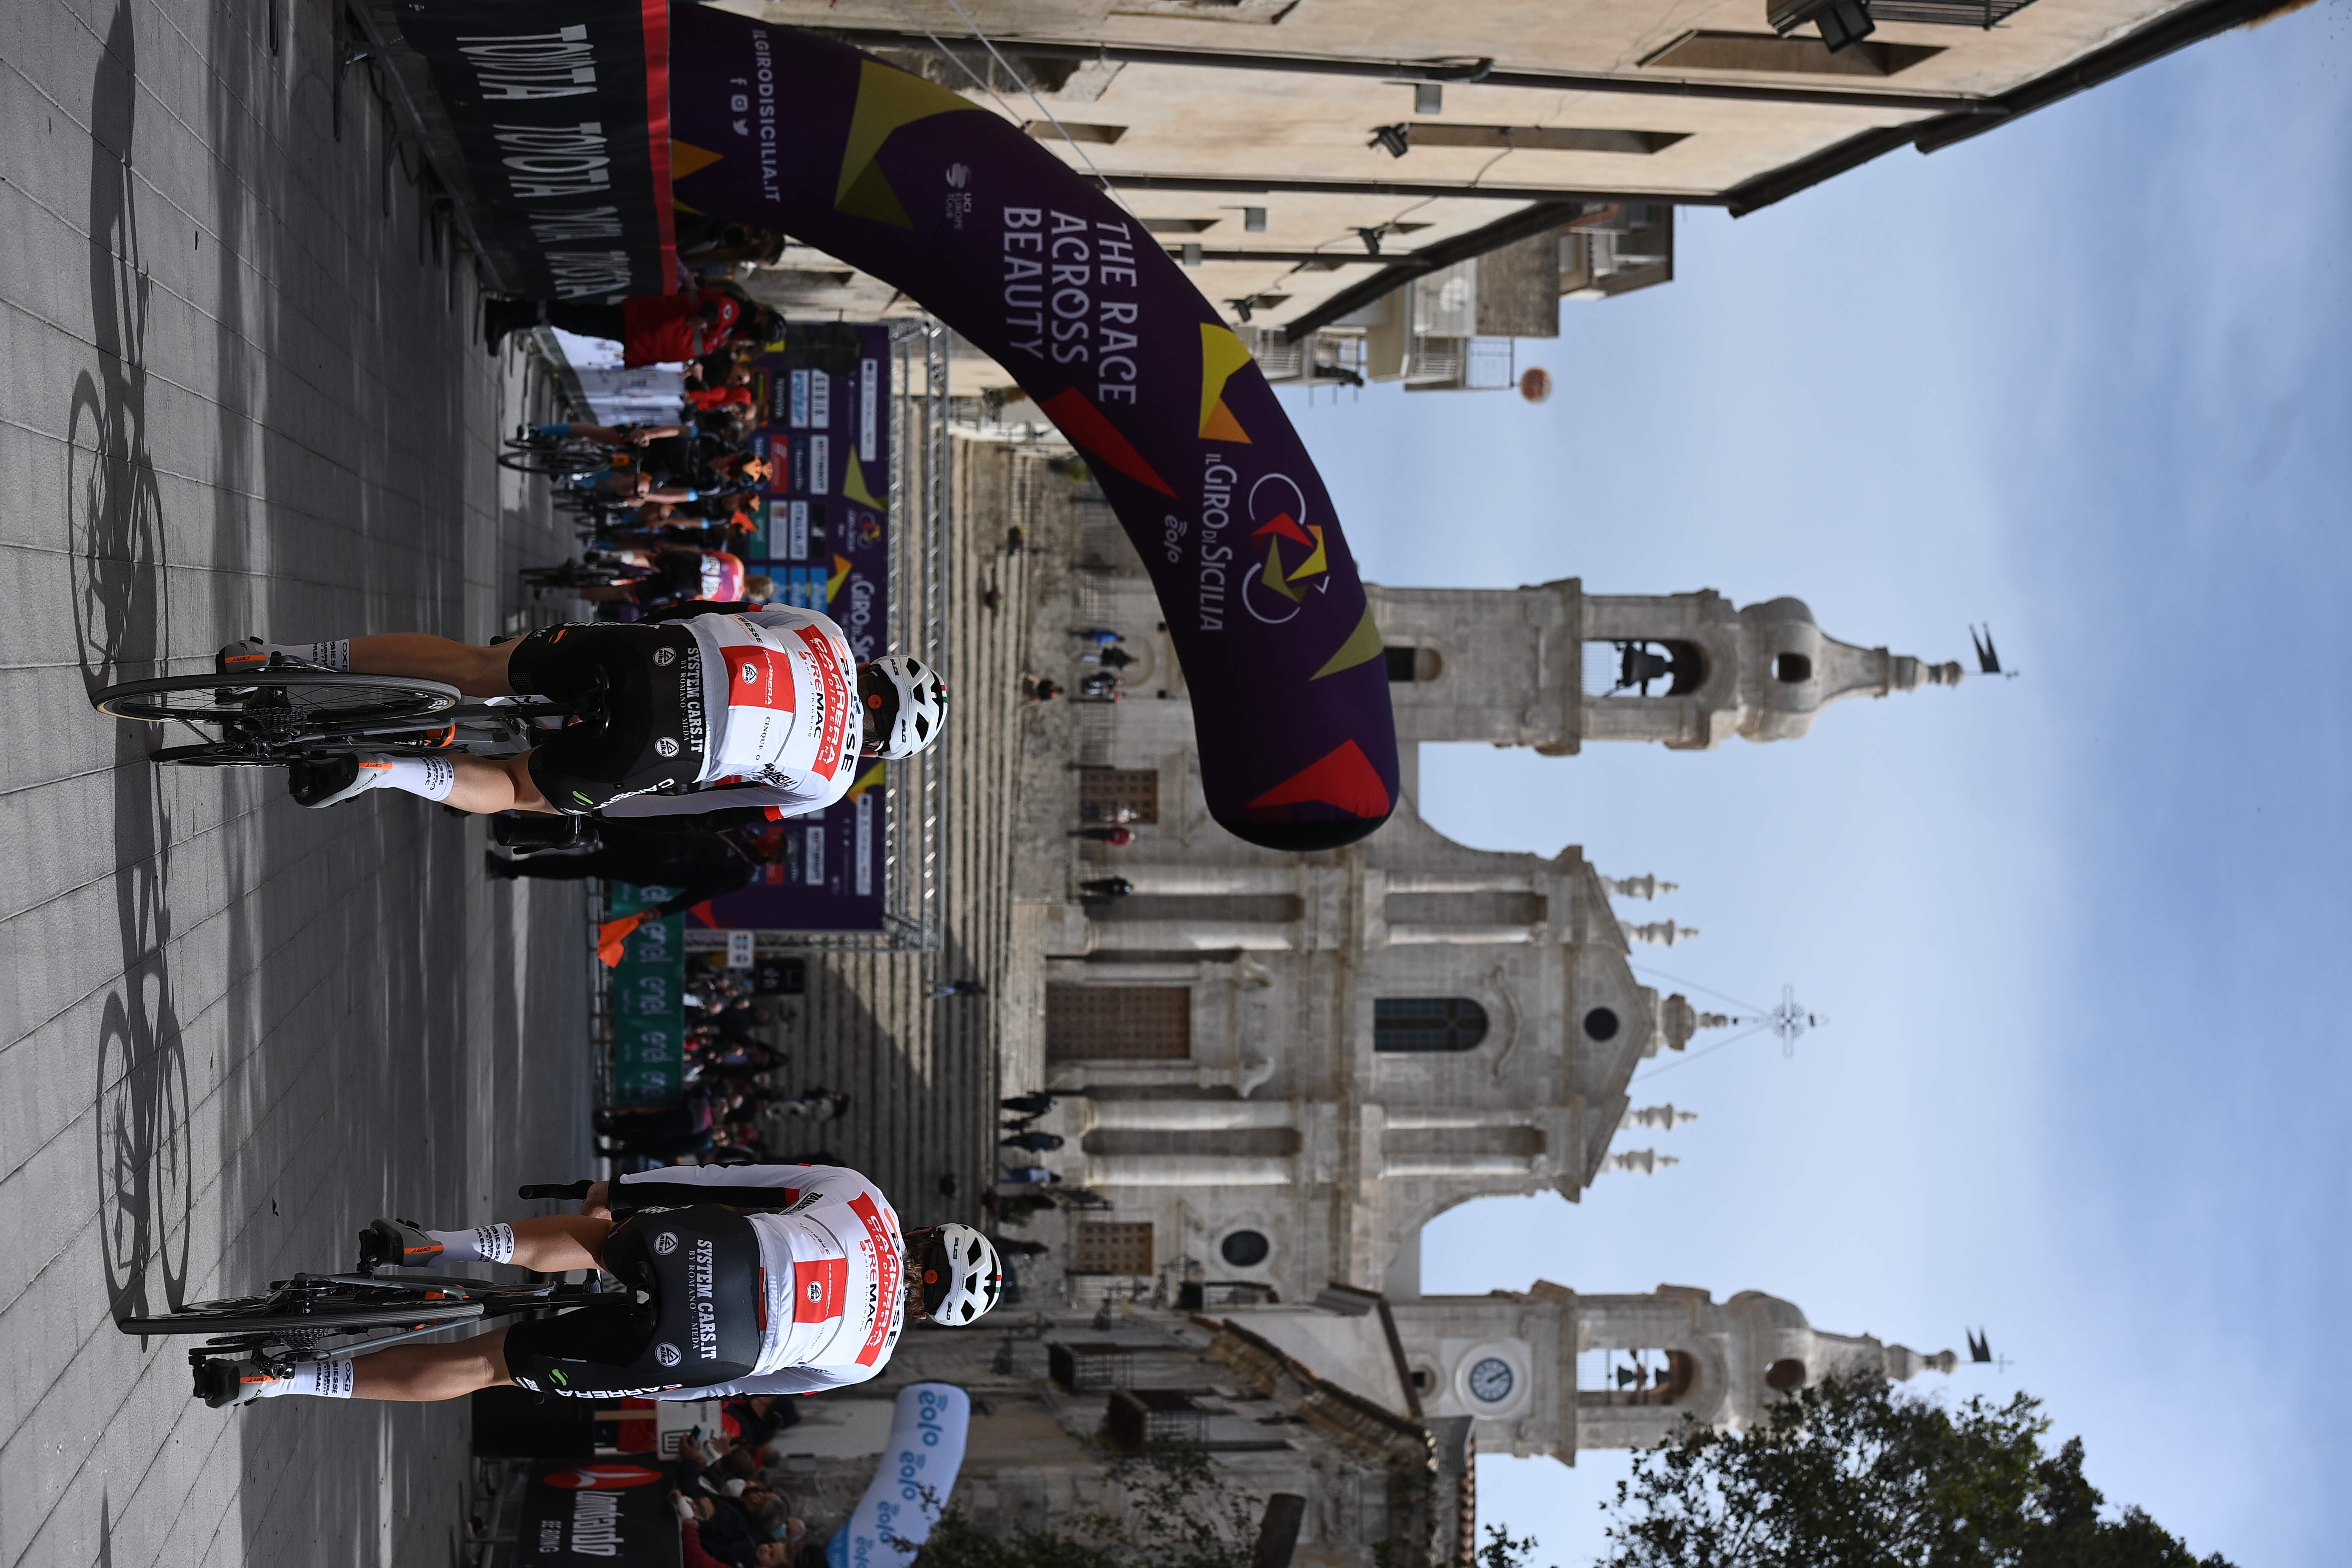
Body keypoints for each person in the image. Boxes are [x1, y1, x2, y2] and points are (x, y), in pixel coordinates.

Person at [196, 1163, 1000, 1407]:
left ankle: (434, 1247)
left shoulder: (866, 1198)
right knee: (491, 1365)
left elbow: (732, 1179)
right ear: (932, 1317)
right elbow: (727, 1390)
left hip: (701, 1250)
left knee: (607, 1243)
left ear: (927, 1233)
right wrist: (637, 1380)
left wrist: (624, 1192)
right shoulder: (867, 1360)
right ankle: (283, 1378)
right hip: (706, 1348)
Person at [215, 604, 946, 818]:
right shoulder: (829, 780)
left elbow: (714, 611)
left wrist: (631, 628)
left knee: (477, 666)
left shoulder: (827, 634)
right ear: (881, 748)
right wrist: (605, 805)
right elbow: (705, 805)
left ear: (876, 669)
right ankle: (384, 769)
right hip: (673, 746)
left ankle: (282, 656)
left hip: (654, 654)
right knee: (520, 792)